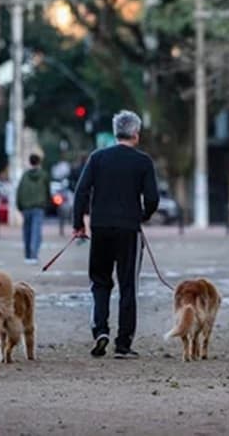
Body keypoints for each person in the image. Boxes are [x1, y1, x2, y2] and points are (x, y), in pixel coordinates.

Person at [72, 110, 159, 359]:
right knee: (128, 285)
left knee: (100, 281)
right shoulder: (143, 162)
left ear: (115, 132)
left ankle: (100, 330)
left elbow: (81, 191)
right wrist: (143, 215)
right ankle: (123, 343)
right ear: (136, 134)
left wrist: (79, 223)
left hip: (100, 228)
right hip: (129, 230)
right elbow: (152, 197)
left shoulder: (98, 158)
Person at [16, 154, 50, 264]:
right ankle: (34, 255)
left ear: (30, 162)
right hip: (39, 207)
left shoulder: (24, 175)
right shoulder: (44, 175)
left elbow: (19, 191)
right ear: (39, 162)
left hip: (26, 207)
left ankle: (27, 256)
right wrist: (47, 204)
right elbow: (47, 191)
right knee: (36, 231)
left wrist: (19, 206)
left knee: (27, 231)